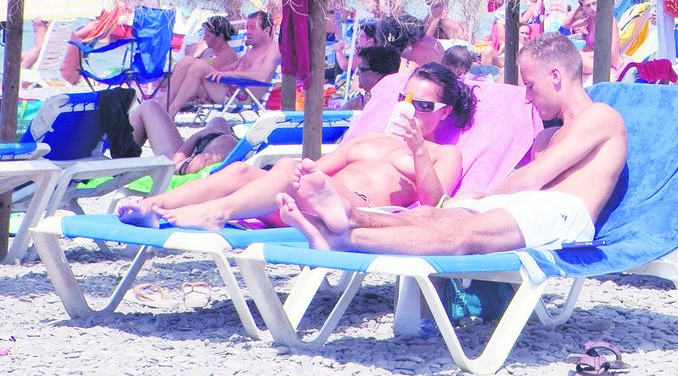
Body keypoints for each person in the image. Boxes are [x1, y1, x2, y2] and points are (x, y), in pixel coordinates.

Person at [276, 34, 626, 255]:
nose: (528, 98)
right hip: (527, 206)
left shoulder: (600, 116)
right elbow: (524, 186)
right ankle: (347, 218)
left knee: (463, 236)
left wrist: (483, 198)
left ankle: (342, 240)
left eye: (530, 86)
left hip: (565, 214)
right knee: (430, 215)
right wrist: (466, 201)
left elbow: (533, 178)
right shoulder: (546, 136)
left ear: (555, 76)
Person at [116, 62, 473, 230]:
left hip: (349, 210)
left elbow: (434, 202)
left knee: (287, 169)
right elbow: (319, 167)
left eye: (424, 105)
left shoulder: (445, 153)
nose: (411, 107)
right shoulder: (369, 138)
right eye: (406, 98)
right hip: (309, 198)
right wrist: (299, 173)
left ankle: (218, 213)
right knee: (242, 170)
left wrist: (418, 151)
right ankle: (152, 205)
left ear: (444, 114)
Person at [166, 12, 280, 113]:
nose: (248, 32)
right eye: (247, 28)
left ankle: (171, 112)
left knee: (199, 66)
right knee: (187, 61)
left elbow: (261, 76)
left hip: (242, 97)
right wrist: (213, 72)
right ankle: (164, 106)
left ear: (267, 30)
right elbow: (231, 68)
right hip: (229, 90)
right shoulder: (252, 50)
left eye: (252, 28)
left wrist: (228, 74)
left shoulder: (273, 48)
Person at [127, 101, 239, 176]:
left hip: (203, 147)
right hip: (216, 141)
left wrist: (196, 136)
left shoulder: (206, 161)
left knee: (148, 106)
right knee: (218, 120)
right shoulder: (222, 150)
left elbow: (174, 164)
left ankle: (120, 161)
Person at [562, 0, 621, 81]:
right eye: (588, 5)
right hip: (591, 61)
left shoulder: (609, 20)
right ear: (583, 7)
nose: (592, 8)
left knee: (569, 58)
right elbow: (565, 24)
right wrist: (579, 4)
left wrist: (584, 55)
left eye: (595, 3)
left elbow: (612, 53)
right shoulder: (589, 20)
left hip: (605, 64)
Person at [338, 45, 403, 111]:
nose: (357, 73)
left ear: (377, 74)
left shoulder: (391, 107)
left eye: (361, 69)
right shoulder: (358, 103)